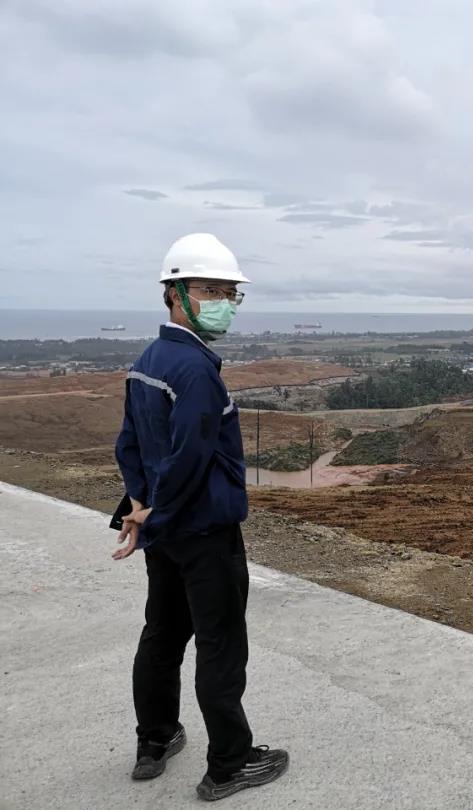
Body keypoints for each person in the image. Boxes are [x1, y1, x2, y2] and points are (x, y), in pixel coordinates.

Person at [113, 233, 289, 801]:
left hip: (165, 532)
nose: (224, 303)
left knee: (162, 634)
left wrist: (140, 509)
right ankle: (229, 764)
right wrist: (154, 510)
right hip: (204, 532)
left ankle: (155, 740)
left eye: (230, 294)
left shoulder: (147, 362)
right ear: (174, 293)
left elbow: (129, 447)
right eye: (211, 290)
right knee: (220, 645)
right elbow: (189, 456)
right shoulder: (195, 371)